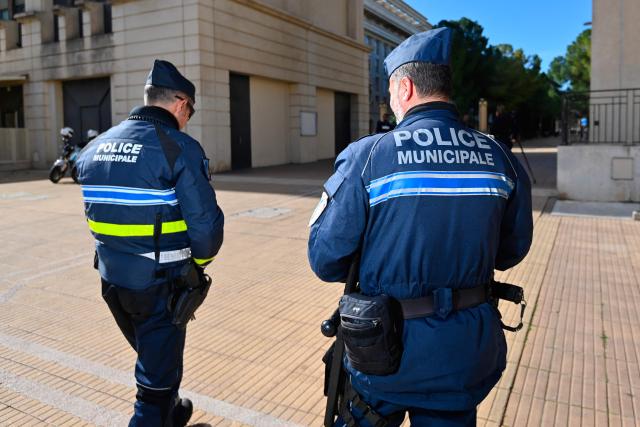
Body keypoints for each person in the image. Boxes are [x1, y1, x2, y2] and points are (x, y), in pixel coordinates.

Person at [308, 27, 532, 426]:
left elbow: (325, 260)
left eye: (391, 92)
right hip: (465, 353)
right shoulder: (499, 156)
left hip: (385, 353)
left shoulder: (369, 155)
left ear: (406, 88)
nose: (390, 102)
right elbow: (511, 251)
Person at [76, 59, 224, 426]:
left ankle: (171, 414)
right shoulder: (178, 147)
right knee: (154, 387)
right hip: (160, 286)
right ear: (179, 102)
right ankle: (160, 411)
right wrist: (199, 266)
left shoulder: (96, 146)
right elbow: (206, 230)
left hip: (113, 281)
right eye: (189, 109)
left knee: (153, 357)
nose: (188, 117)